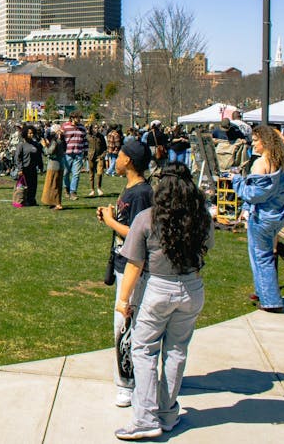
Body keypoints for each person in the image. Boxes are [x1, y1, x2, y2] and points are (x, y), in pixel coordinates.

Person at [114, 162, 214, 440]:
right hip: (192, 287)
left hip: (159, 287)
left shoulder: (147, 218)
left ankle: (145, 417)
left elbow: (134, 263)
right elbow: (207, 247)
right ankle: (167, 411)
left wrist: (124, 300)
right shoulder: (201, 217)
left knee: (144, 350)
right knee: (176, 350)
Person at [98, 139, 153, 408]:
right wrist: (110, 218)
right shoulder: (131, 189)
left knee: (126, 322)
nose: (115, 159)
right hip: (122, 262)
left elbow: (138, 234)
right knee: (125, 320)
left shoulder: (142, 193)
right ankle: (129, 377)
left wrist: (111, 222)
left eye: (118, 155)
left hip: (134, 267)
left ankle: (127, 383)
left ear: (128, 160)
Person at [233, 125, 284, 313]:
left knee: (262, 257)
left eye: (256, 140)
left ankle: (271, 301)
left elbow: (253, 194)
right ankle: (262, 291)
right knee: (259, 255)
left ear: (266, 141)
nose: (253, 144)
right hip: (278, 216)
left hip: (263, 217)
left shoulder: (261, 163)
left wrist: (236, 181)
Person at [61, 111, 88, 200]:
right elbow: (61, 140)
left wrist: (85, 152)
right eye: (77, 117)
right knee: (65, 173)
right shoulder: (65, 126)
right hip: (67, 154)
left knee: (76, 174)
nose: (79, 119)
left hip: (78, 153)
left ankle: (73, 192)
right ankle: (66, 189)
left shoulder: (82, 128)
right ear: (72, 118)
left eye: (80, 118)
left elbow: (85, 141)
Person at [14, 124, 42, 206]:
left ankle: (32, 200)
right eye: (29, 133)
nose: (31, 134)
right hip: (24, 169)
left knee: (33, 186)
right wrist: (20, 169)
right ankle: (23, 200)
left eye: (32, 133)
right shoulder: (21, 145)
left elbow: (39, 156)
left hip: (33, 168)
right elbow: (17, 157)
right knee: (24, 187)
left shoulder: (36, 144)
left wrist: (40, 166)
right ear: (25, 133)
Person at [41, 125, 65, 210]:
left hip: (54, 165)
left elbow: (49, 152)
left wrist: (44, 146)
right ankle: (54, 202)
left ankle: (57, 204)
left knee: (54, 185)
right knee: (56, 184)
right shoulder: (62, 141)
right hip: (60, 164)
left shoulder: (56, 141)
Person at [86, 123, 106, 196]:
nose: (96, 129)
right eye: (95, 128)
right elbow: (85, 146)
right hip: (91, 157)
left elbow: (105, 148)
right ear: (91, 129)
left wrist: (102, 156)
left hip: (99, 157)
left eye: (97, 128)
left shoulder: (101, 137)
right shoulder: (88, 137)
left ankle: (99, 188)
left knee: (99, 173)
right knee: (91, 174)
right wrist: (86, 155)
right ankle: (92, 190)